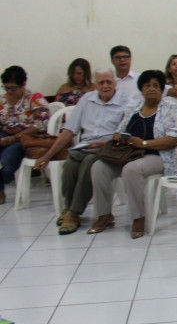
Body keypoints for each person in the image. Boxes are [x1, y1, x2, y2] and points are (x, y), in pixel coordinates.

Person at [90, 70, 177, 239]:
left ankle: (138, 217)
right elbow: (119, 131)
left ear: (162, 89)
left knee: (131, 170)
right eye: (147, 86)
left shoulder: (169, 107)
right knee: (98, 167)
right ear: (141, 89)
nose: (151, 89)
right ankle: (104, 216)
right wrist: (119, 136)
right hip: (128, 153)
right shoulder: (133, 107)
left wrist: (145, 143)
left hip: (157, 156)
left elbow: (174, 139)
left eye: (156, 86)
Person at [34, 69, 127, 234]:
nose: (105, 86)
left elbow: (124, 136)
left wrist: (103, 142)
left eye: (109, 82)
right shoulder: (87, 100)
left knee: (88, 165)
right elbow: (69, 130)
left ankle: (73, 213)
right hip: (85, 146)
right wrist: (47, 155)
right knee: (69, 166)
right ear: (95, 85)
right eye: (101, 82)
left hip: (109, 147)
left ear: (115, 83)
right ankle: (69, 209)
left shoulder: (125, 102)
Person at [0, 66, 49, 205]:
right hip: (5, 134)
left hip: (24, 138)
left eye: (13, 88)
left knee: (6, 163)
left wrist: (15, 138)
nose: (9, 92)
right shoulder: (2, 101)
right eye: (6, 88)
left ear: (23, 85)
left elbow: (40, 125)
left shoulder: (34, 99)